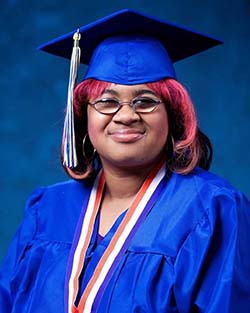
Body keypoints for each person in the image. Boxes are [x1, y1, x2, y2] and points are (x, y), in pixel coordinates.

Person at [0, 8, 249, 313]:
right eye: (107, 101)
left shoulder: (212, 210)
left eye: (145, 101)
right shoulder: (45, 209)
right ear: (83, 116)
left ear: (172, 114)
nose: (127, 115)